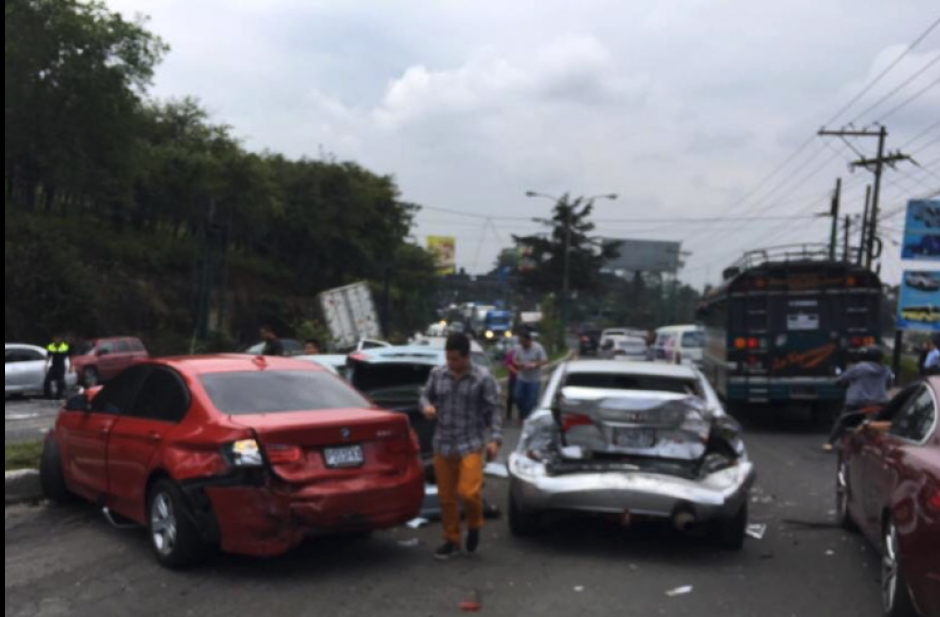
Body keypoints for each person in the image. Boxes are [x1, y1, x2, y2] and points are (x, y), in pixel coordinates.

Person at [421, 334, 502, 560]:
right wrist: (427, 407)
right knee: (446, 498)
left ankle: (475, 524)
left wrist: (494, 439)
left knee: (468, 492)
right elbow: (425, 396)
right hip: (443, 443)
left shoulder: (482, 378)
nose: (452, 364)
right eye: (448, 359)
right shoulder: (438, 374)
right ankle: (452, 539)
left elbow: (493, 409)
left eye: (456, 359)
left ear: (467, 357)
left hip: (471, 444)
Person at [824, 346, 893, 452]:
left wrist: (839, 382)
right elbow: (889, 385)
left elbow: (842, 379)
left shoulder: (859, 367)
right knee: (881, 425)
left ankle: (830, 443)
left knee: (843, 420)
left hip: (857, 402)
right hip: (879, 402)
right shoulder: (886, 369)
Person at [513, 330, 548, 421]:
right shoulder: (518, 348)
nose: (522, 344)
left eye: (524, 342)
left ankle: (527, 417)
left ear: (529, 340)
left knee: (531, 401)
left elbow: (544, 360)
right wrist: (519, 364)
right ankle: (522, 413)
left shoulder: (538, 348)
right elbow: (515, 360)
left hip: (534, 379)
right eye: (521, 342)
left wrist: (535, 365)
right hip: (522, 377)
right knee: (518, 397)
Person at [44, 335, 70, 401]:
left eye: (57, 338)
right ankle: (48, 396)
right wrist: (46, 365)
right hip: (54, 365)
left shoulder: (65, 346)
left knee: (60, 381)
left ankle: (59, 396)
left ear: (60, 339)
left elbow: (69, 357)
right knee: (47, 380)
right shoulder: (51, 346)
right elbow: (48, 356)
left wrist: (71, 366)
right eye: (55, 338)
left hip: (61, 366)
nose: (56, 340)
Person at [504, 346, 519, 423]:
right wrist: (515, 371)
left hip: (524, 379)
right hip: (513, 378)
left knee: (520, 398)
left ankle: (521, 416)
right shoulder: (512, 352)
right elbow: (507, 364)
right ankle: (508, 415)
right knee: (511, 396)